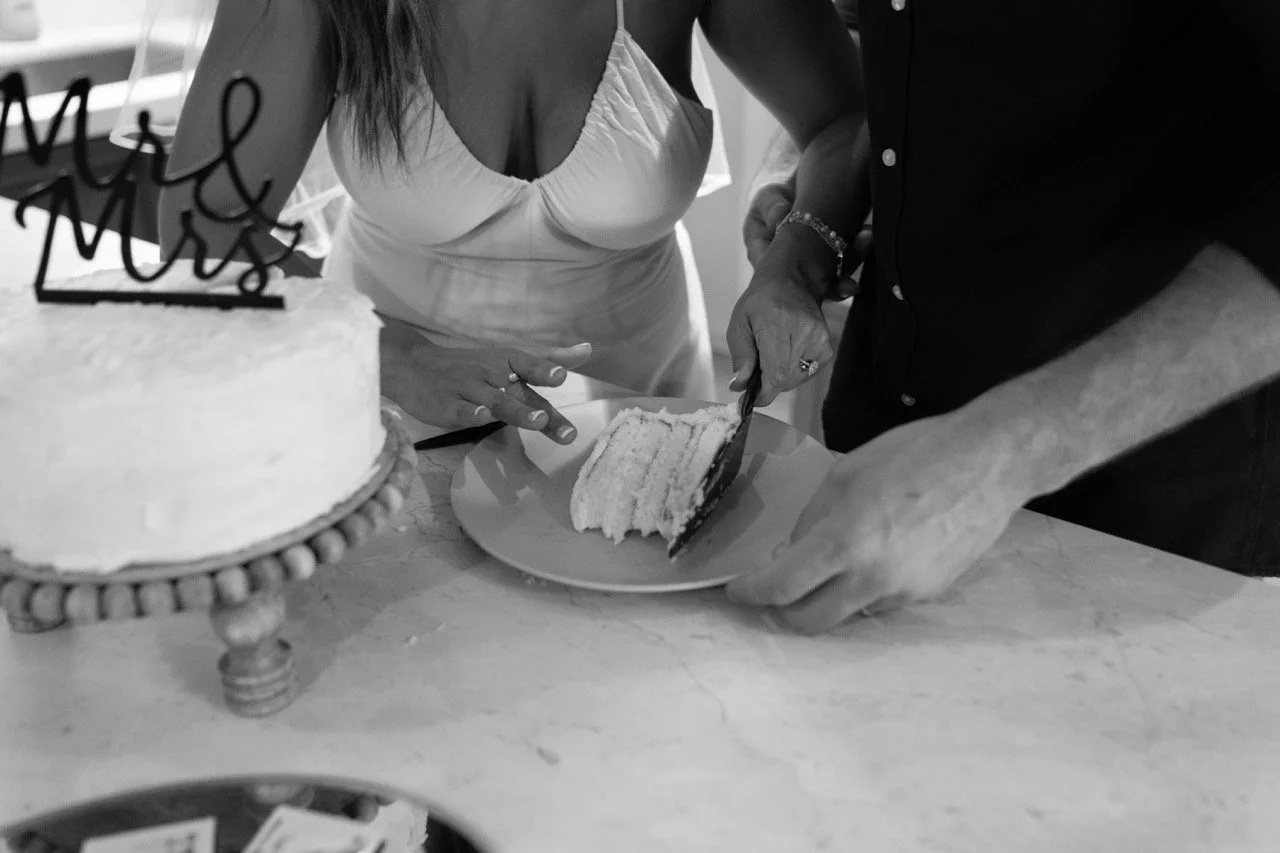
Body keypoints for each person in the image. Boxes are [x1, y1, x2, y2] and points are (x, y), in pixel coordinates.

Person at [725, 0, 1280, 632]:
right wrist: (807, 231)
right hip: (885, 450)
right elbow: (871, 41)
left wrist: (994, 462)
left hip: (1149, 499)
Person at [157, 0, 864, 446]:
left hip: (640, 410)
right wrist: (385, 352)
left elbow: (846, 119)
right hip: (377, 403)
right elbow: (201, 226)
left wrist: (799, 252)